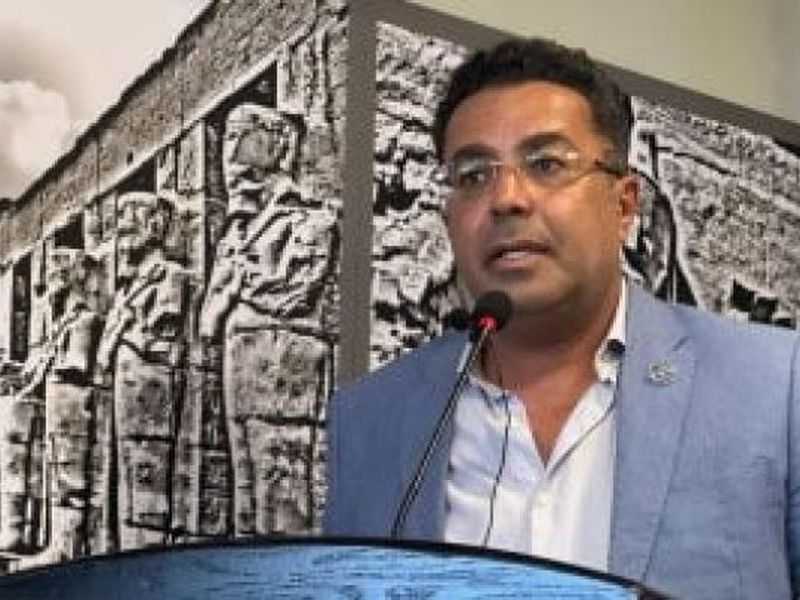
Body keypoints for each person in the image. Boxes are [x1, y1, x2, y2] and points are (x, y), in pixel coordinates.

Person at [323, 37, 800, 598]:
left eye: (546, 164)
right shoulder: (370, 417)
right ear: (449, 219)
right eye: (473, 175)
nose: (507, 198)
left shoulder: (776, 386)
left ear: (623, 205)